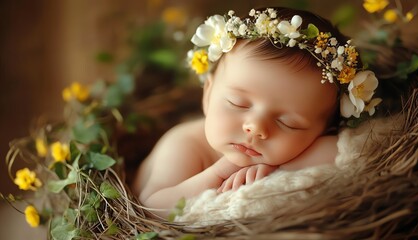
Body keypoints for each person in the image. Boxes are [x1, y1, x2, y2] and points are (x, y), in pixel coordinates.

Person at [132, 7, 380, 218]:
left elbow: (340, 151)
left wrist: (277, 169)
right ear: (208, 94)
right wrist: (221, 172)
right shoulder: (184, 144)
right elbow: (152, 206)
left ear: (323, 129)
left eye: (288, 123)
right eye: (238, 103)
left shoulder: (299, 147)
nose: (256, 127)